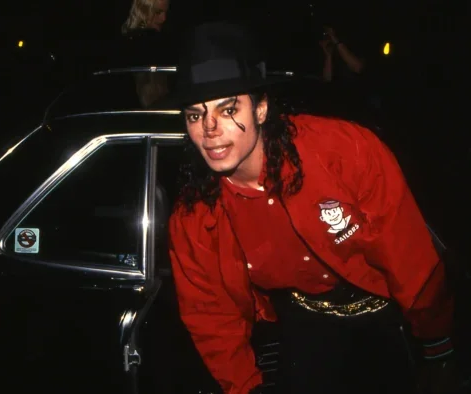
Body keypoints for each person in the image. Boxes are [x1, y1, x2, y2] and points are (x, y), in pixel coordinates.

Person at [164, 22, 461, 394]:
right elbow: (210, 316)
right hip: (305, 321)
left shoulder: (341, 152)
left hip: (385, 312)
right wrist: (246, 387)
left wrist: (436, 344)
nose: (209, 128)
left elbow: (409, 257)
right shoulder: (196, 216)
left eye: (227, 109)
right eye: (195, 115)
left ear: (260, 109)